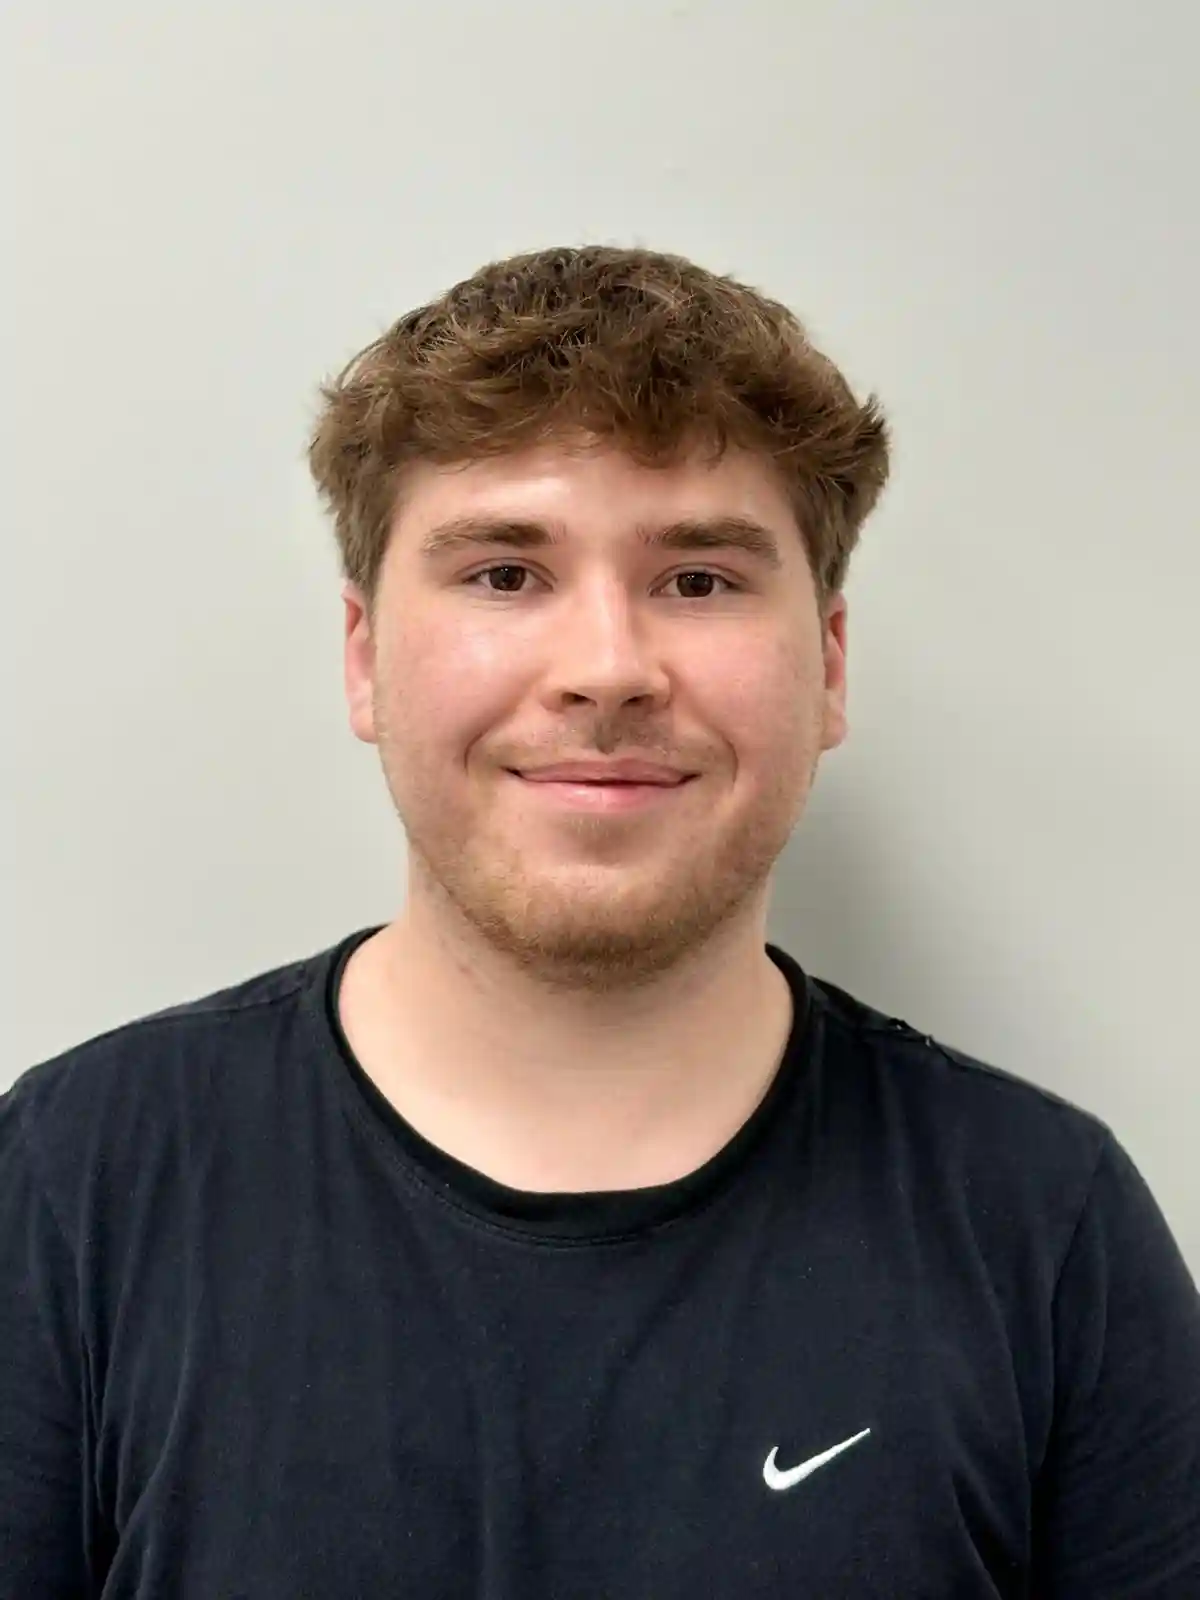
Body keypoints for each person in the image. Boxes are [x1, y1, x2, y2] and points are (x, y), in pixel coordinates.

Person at [2, 245, 1197, 1599]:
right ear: (362, 658)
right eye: (506, 574)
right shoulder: (76, 1189)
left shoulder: (1045, 1233)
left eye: (699, 580)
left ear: (832, 669)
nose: (609, 671)